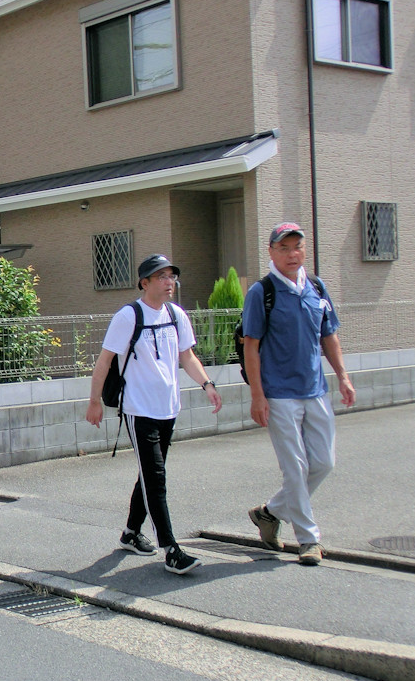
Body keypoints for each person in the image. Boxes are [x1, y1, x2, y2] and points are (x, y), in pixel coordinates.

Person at [86, 254, 222, 575]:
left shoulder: (176, 315)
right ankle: (171, 549)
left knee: (149, 475)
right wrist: (94, 401)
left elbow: (187, 356)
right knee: (155, 477)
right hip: (139, 409)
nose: (169, 282)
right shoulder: (128, 316)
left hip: (168, 408)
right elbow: (104, 361)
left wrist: (207, 384)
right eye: (161, 277)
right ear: (144, 283)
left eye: (171, 276)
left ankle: (131, 533)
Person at [242, 223, 356, 566]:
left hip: (315, 389)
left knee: (323, 463)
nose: (292, 254)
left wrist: (343, 376)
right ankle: (309, 539)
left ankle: (269, 513)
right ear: (271, 252)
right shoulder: (262, 292)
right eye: (284, 248)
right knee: (295, 467)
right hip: (279, 394)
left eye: (298, 247)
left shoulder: (316, 287)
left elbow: (329, 336)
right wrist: (258, 395)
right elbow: (251, 346)